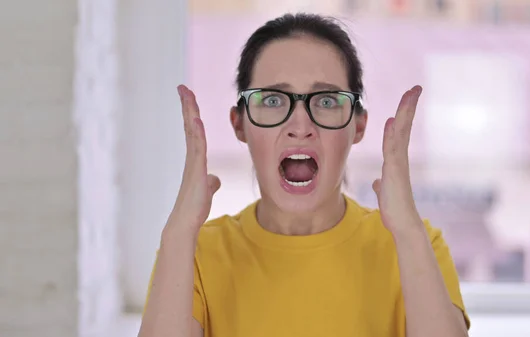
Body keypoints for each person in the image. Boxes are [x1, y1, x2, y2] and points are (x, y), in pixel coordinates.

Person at [139, 13, 470, 337]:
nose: (300, 126)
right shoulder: (191, 253)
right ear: (240, 124)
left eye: (326, 101)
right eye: (272, 99)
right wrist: (179, 232)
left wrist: (409, 233)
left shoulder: (415, 245)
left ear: (358, 125)